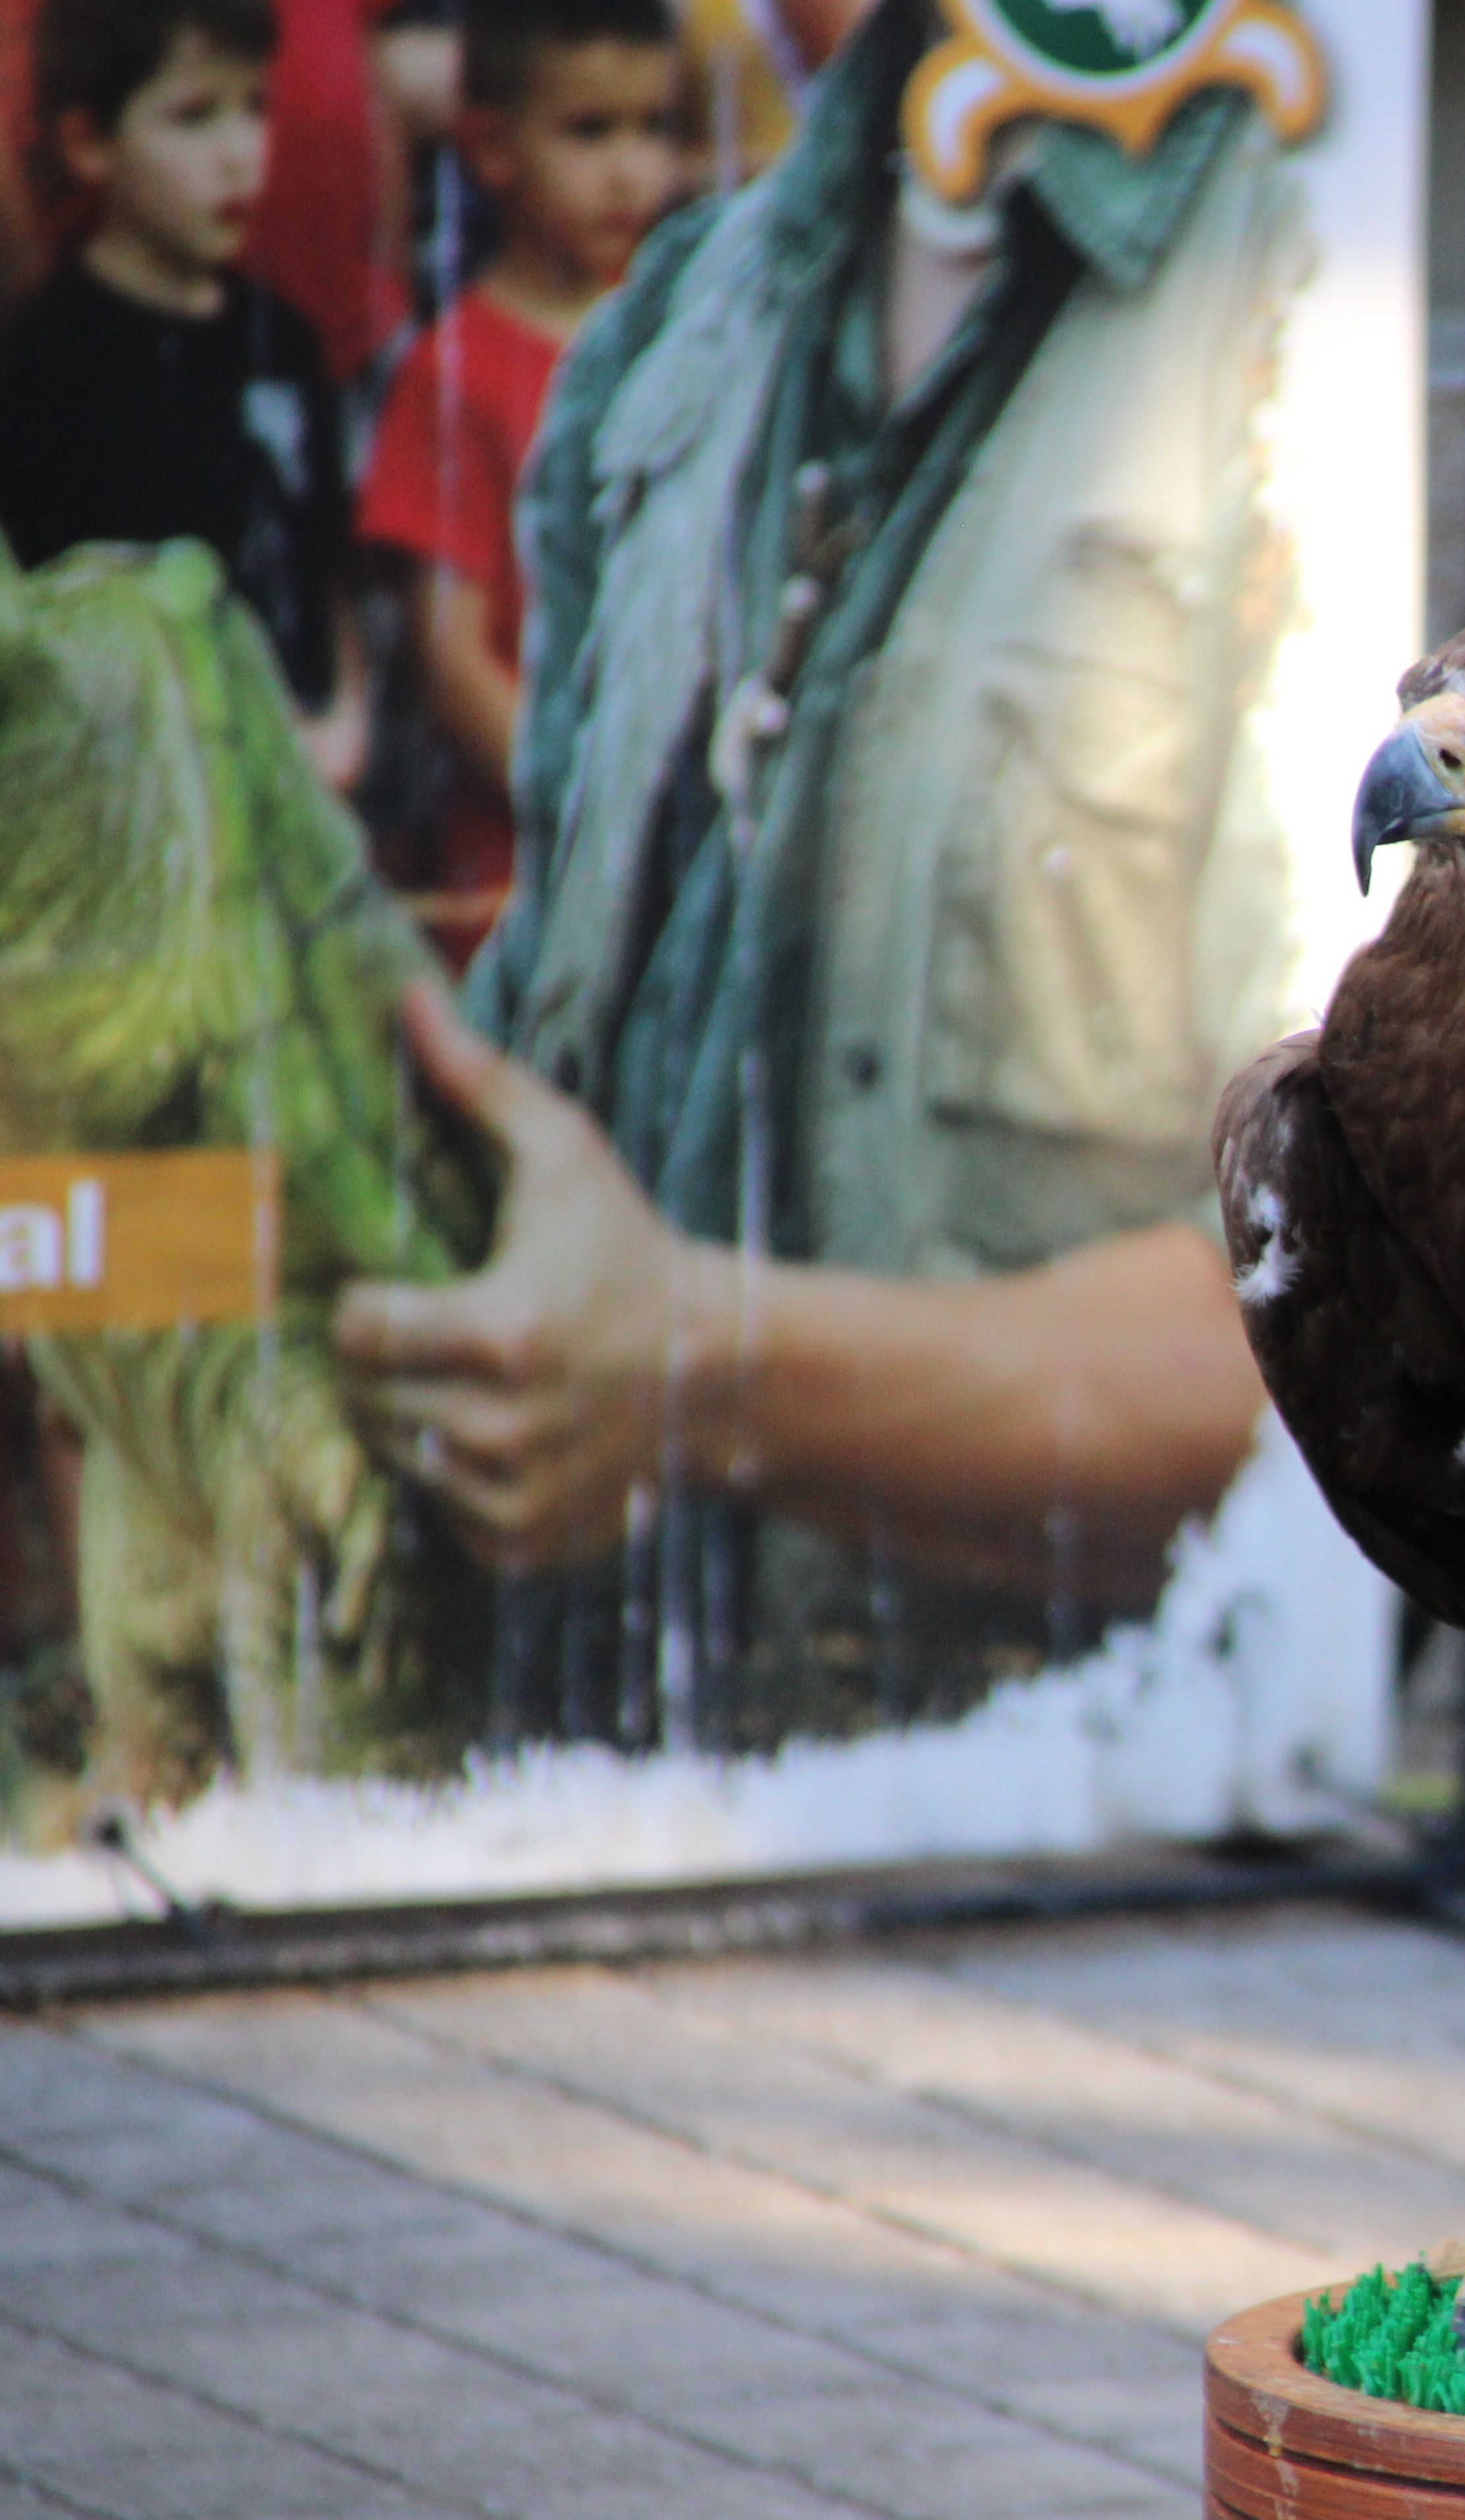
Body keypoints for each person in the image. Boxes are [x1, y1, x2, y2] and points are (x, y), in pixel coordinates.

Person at [332, 0, 1302, 1747]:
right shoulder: (683, 317)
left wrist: (703, 1367)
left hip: (1061, 1850)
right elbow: (567, 1011)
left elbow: (1382, 1357)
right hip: (590, 1792)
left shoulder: (1305, 271)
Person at [357, 0, 681, 967]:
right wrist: (589, 804)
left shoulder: (684, 343)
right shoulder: (454, 369)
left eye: (653, 129)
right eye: (589, 132)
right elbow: (453, 664)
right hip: (522, 883)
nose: (630, 171)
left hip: (674, 858)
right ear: (492, 147)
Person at [0, 0, 366, 789]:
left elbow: (325, 572)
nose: (240, 155)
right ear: (89, 141)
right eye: (194, 118)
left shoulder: (286, 341)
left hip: (302, 788)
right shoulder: (42, 361)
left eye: (254, 110)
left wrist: (346, 720)